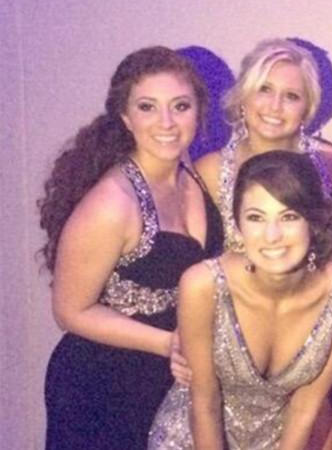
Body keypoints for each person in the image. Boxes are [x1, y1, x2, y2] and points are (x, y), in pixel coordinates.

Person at [39, 46, 224, 449]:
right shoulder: (112, 202)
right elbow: (69, 311)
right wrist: (167, 343)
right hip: (101, 386)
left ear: (199, 111)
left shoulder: (197, 178)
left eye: (180, 106)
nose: (167, 123)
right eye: (147, 107)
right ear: (125, 117)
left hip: (168, 379)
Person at [149, 150, 332, 449]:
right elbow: (205, 403)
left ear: (313, 222)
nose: (272, 235)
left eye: (289, 216)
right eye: (256, 217)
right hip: (196, 437)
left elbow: (306, 405)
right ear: (238, 224)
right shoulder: (203, 285)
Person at [194, 38, 332, 253]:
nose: (275, 107)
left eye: (291, 96)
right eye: (264, 89)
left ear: (307, 109)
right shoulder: (210, 171)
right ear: (243, 97)